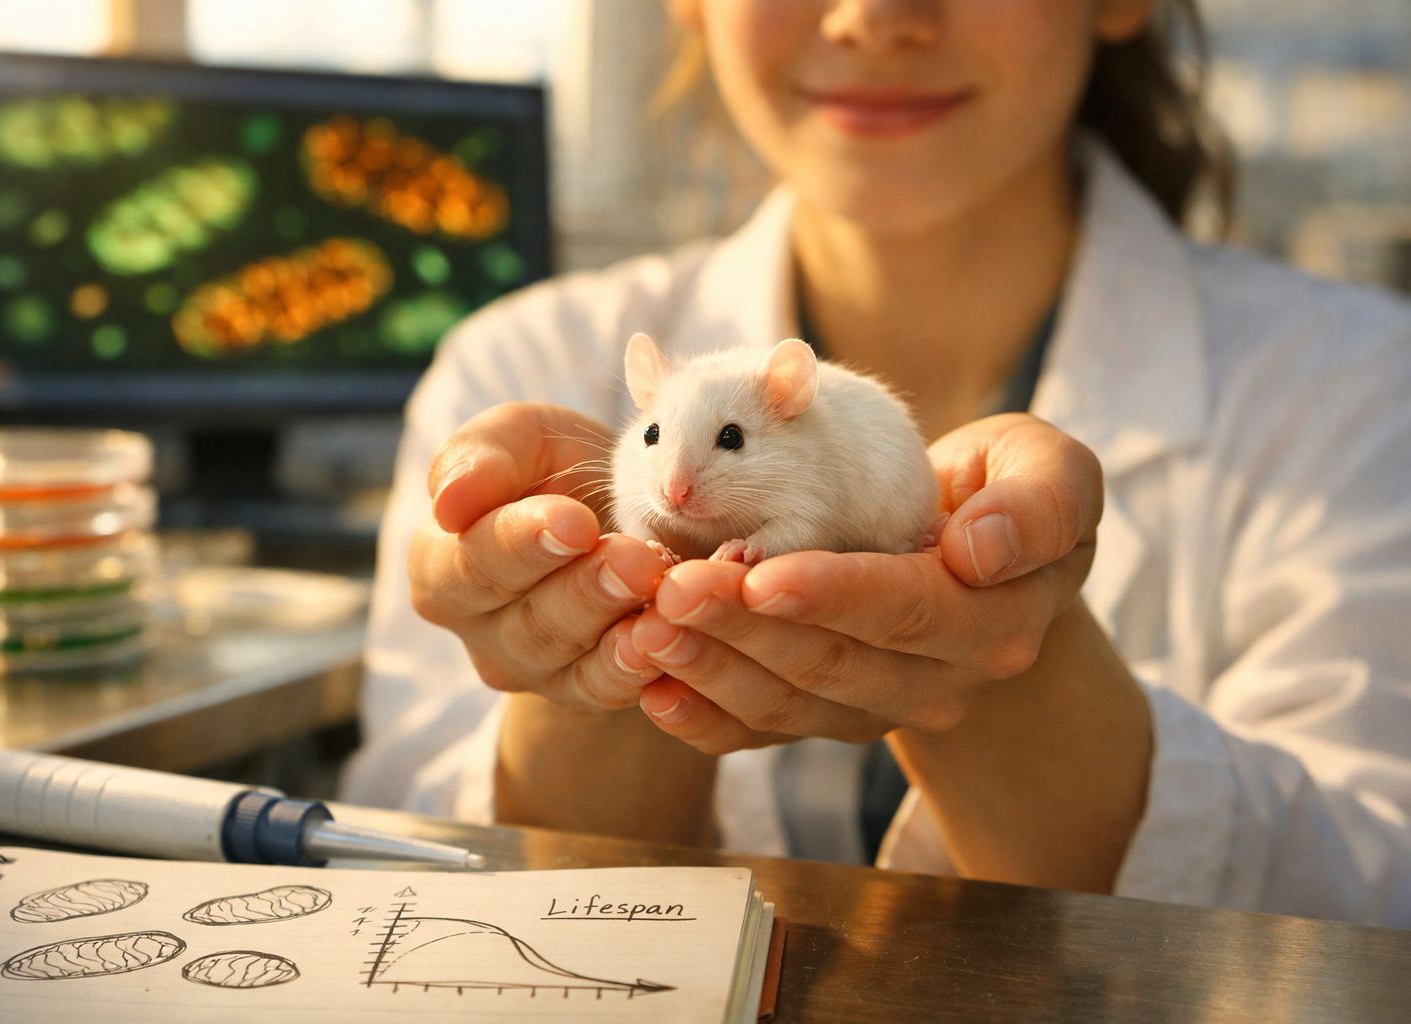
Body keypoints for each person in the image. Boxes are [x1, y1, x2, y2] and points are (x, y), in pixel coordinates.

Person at [342, 0, 1411, 926]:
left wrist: (1005, 662)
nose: (870, 14)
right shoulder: (512, 359)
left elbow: (1371, 901)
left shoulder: (1364, 382)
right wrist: (598, 657)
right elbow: (410, 869)